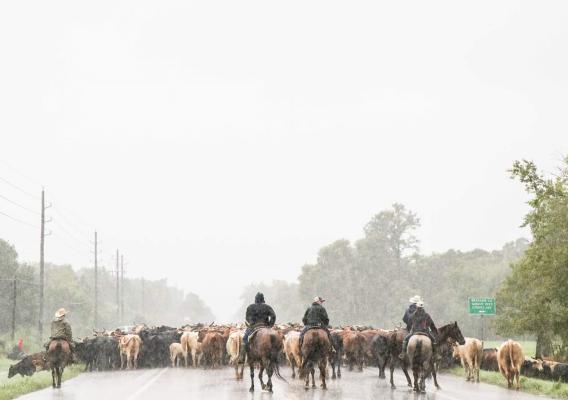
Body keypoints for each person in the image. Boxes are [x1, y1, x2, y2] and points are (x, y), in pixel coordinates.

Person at [239, 292, 276, 363]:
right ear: (263, 299)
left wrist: (251, 323)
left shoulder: (250, 307)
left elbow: (247, 318)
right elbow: (273, 316)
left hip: (254, 327)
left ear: (255, 299)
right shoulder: (267, 307)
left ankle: (242, 357)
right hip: (266, 326)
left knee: (244, 339)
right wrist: (270, 325)